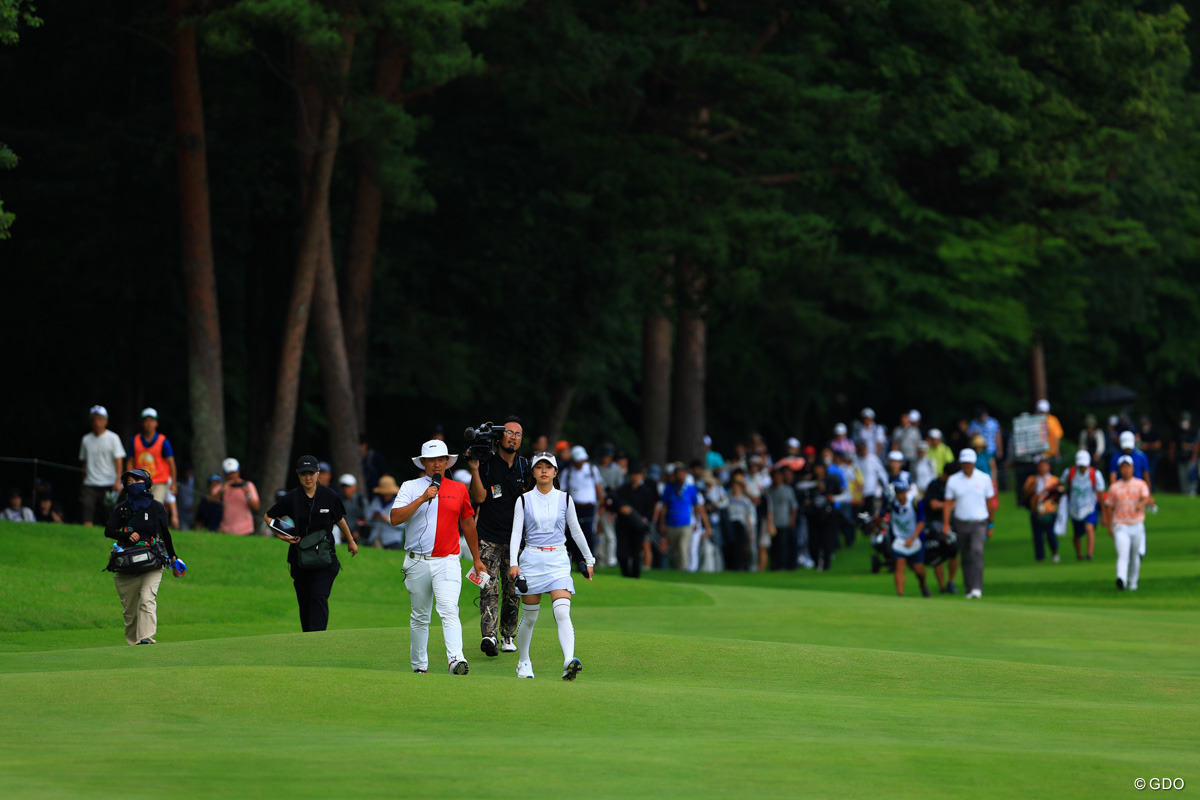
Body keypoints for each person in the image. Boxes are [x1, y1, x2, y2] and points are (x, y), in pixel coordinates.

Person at [391, 440, 485, 675]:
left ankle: (456, 660)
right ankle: (419, 666)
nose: (436, 464)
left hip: (448, 560)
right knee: (420, 615)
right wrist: (423, 498)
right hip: (416, 561)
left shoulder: (458, 489)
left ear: (447, 462)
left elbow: (467, 524)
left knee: (448, 609)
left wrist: (476, 558)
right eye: (431, 460)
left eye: (440, 460)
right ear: (423, 463)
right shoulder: (410, 487)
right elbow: (395, 518)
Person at [508, 451, 596, 680]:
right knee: (530, 617)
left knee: (562, 611)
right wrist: (514, 563)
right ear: (533, 472)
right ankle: (524, 662)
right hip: (531, 560)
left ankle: (569, 660)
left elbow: (576, 530)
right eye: (539, 467)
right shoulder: (524, 499)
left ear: (555, 472)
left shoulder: (565, 498)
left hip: (558, 559)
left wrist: (589, 559)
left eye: (548, 467)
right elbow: (516, 533)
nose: (544, 471)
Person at [265, 455, 359, 633]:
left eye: (311, 473)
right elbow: (268, 517)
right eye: (303, 474)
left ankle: (318, 640)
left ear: (318, 473)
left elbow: (339, 519)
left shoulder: (330, 496)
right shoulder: (291, 497)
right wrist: (283, 535)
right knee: (305, 600)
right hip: (299, 558)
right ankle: (308, 640)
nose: (307, 477)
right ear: (298, 475)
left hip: (325, 558)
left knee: (318, 595)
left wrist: (351, 541)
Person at [466, 416, 528, 658]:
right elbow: (480, 498)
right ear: (500, 436)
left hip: (516, 540)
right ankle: (489, 635)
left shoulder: (524, 466)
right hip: (489, 536)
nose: (513, 437)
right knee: (488, 588)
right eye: (509, 432)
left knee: (512, 591)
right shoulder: (487, 463)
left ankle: (508, 635)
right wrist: (474, 470)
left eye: (518, 434)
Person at [103, 468, 180, 645]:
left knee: (146, 599)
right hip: (127, 564)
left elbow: (166, 534)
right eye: (129, 483)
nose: (134, 485)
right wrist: (125, 536)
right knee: (130, 611)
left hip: (153, 561)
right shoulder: (122, 508)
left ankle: (146, 638)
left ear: (146, 484)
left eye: (137, 481)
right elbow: (109, 531)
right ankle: (133, 643)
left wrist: (173, 557)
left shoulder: (157, 507)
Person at [943, 448, 994, 599]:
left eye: (969, 462)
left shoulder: (984, 478)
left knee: (976, 551)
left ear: (974, 463)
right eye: (964, 463)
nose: (967, 465)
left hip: (979, 522)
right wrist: (946, 523)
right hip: (961, 522)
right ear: (960, 463)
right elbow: (947, 503)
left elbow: (990, 503)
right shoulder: (953, 480)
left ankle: (977, 587)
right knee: (965, 556)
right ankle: (969, 588)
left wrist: (991, 524)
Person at [1103, 455, 1154, 591]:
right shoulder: (1114, 487)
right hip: (1120, 525)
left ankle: (1133, 582)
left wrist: (1141, 504)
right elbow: (1109, 506)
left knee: (1135, 555)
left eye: (1128, 467)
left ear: (1132, 468)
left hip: (1137, 524)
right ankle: (1121, 579)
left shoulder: (1140, 484)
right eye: (1123, 467)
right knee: (1123, 554)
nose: (1126, 470)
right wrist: (1109, 525)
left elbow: (1146, 497)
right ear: (1120, 469)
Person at [79, 405, 126, 526]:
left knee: (109, 516)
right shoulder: (85, 440)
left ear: (106, 421)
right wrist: (83, 482)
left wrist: (118, 481)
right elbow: (84, 462)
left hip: (109, 483)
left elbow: (119, 460)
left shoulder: (113, 438)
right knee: (87, 510)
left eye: (100, 419)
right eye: (94, 419)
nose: (97, 422)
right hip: (90, 483)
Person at [657, 463, 710, 570]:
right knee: (673, 550)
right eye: (678, 473)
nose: (680, 476)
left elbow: (697, 507)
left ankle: (682, 571)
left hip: (685, 524)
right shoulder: (669, 488)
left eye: (682, 473)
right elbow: (664, 506)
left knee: (683, 549)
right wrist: (662, 522)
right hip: (671, 524)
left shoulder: (691, 489)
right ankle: (674, 569)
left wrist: (697, 522)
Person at [612, 460, 660, 578]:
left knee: (636, 553)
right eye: (633, 474)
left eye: (638, 474)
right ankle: (625, 574)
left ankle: (635, 576)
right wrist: (620, 510)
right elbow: (614, 504)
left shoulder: (647, 492)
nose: (636, 477)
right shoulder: (622, 490)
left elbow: (650, 509)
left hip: (638, 526)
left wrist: (646, 519)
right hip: (623, 525)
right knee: (622, 553)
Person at [125, 408, 177, 505]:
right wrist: (130, 479)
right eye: (146, 420)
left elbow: (171, 463)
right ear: (142, 423)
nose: (149, 423)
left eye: (152, 420)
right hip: (140, 482)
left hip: (159, 482)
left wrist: (173, 483)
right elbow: (130, 461)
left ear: (156, 423)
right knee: (139, 507)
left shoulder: (163, 441)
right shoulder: (135, 440)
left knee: (155, 506)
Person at [888, 478, 930, 597]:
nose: (900, 495)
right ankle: (900, 594)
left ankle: (923, 585)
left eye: (902, 492)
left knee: (918, 569)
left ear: (906, 491)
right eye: (898, 492)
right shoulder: (891, 504)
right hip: (899, 539)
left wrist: (913, 537)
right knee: (899, 564)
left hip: (915, 539)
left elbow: (921, 522)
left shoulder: (915, 503)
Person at [561, 445, 605, 556]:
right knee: (573, 534)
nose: (581, 462)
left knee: (589, 534)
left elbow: (598, 487)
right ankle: (576, 559)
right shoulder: (568, 472)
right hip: (574, 507)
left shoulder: (591, 469)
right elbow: (562, 491)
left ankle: (589, 559)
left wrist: (602, 505)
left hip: (589, 507)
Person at [1062, 449, 1105, 561]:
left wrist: (1103, 512)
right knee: (1077, 533)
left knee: (1089, 527)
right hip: (1074, 507)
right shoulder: (1069, 473)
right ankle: (1079, 555)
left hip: (1090, 506)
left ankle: (1090, 554)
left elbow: (1100, 493)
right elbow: (1061, 484)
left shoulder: (1095, 474)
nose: (1082, 468)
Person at [923, 462, 959, 594]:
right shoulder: (934, 485)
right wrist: (948, 504)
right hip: (934, 523)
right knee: (937, 554)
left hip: (952, 523)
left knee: (953, 552)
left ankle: (950, 582)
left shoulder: (955, 485)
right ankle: (942, 586)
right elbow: (933, 504)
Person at [1022, 456, 1060, 562]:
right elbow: (1025, 494)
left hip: (1049, 511)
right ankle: (1040, 557)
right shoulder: (1032, 479)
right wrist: (1033, 487)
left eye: (1044, 465)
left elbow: (1059, 495)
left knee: (1050, 535)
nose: (1042, 467)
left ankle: (1054, 553)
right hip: (1036, 510)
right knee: (1037, 536)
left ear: (1049, 467)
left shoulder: (1054, 480)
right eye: (1040, 465)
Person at [214, 458, 260, 536]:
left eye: (233, 472)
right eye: (229, 473)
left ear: (238, 471)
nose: (231, 475)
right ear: (225, 474)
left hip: (245, 530)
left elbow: (256, 507)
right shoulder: (222, 487)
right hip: (225, 529)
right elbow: (209, 501)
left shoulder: (248, 485)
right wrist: (222, 491)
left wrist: (247, 494)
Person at [366, 474, 405, 549]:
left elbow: (402, 525)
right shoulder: (375, 501)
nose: (386, 496)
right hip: (376, 538)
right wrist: (374, 517)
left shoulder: (399, 503)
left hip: (392, 540)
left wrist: (388, 520)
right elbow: (367, 520)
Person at [1168, 411, 1198, 495]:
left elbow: (1197, 445)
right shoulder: (1177, 431)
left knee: (1191, 475)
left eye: (1185, 419)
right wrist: (1172, 455)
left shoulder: (1194, 431)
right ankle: (1185, 493)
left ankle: (1192, 492)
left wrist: (1193, 457)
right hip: (1180, 458)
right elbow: (1173, 444)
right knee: (1182, 477)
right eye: (1182, 419)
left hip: (1191, 458)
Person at [337, 473, 368, 545]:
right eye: (343, 487)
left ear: (355, 487)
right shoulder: (338, 501)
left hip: (358, 537)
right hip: (342, 535)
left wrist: (358, 531)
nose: (346, 489)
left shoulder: (361, 501)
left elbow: (366, 519)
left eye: (348, 487)